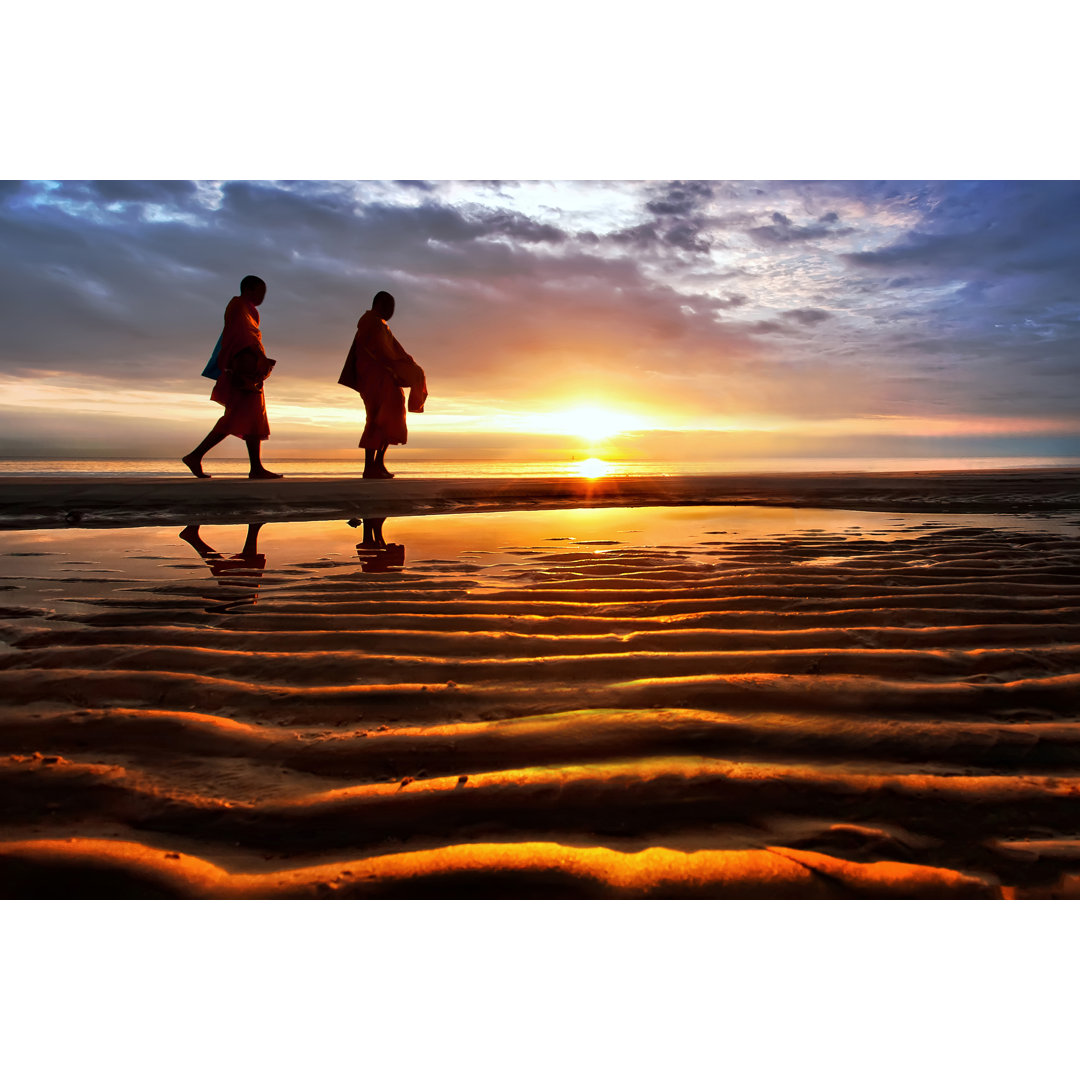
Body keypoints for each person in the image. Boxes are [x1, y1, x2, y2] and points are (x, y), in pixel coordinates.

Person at [182, 275, 282, 479]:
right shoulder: (238, 306)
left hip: (250, 372)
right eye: (260, 292)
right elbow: (243, 336)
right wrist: (259, 356)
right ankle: (196, 456)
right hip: (241, 371)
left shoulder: (248, 310)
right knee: (236, 418)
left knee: (252, 418)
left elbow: (249, 336)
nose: (263, 296)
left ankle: (255, 467)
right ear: (248, 289)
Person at [338, 290, 427, 479]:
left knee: (390, 420)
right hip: (375, 381)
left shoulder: (381, 325)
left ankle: (379, 464)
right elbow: (383, 353)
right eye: (389, 307)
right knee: (377, 421)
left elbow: (396, 351)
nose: (391, 311)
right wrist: (399, 368)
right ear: (378, 304)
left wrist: (410, 367)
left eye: (393, 308)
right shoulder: (370, 323)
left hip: (387, 380)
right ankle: (369, 466)